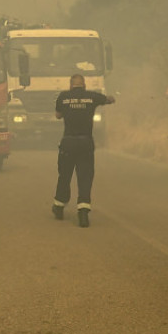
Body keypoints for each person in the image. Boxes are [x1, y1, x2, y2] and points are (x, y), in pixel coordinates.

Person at [52, 73, 115, 227]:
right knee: (85, 177)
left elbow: (58, 115)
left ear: (70, 85)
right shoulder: (91, 96)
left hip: (68, 142)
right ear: (84, 85)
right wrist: (110, 98)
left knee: (64, 175)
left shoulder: (63, 96)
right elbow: (108, 100)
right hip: (86, 143)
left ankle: (59, 207)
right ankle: (83, 212)